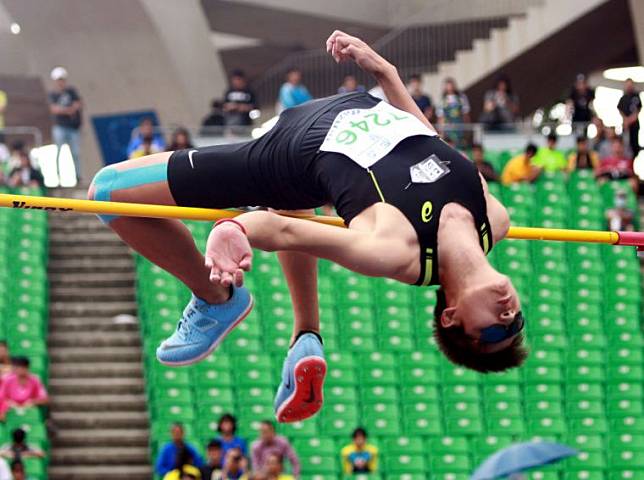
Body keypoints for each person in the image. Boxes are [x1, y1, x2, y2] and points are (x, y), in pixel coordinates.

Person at [88, 30, 526, 425]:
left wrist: (233, 229)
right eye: (516, 324)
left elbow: (284, 233)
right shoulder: (494, 217)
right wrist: (388, 76)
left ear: (451, 317)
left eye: (493, 332)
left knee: (107, 191)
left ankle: (214, 295)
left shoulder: (396, 251)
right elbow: (431, 145)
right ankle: (305, 334)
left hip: (287, 155)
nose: (507, 317)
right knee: (298, 201)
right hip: (347, 110)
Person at [48, 66, 83, 182]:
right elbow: (54, 109)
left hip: (73, 128)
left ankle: (78, 176)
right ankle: (57, 177)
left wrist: (70, 109)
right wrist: (68, 110)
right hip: (60, 127)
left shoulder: (71, 91)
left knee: (75, 153)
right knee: (58, 152)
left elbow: (79, 103)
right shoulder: (52, 94)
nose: (60, 82)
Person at [0, 357, 48, 421]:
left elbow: (44, 399)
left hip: (29, 413)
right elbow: (1, 397)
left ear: (27, 368)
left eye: (22, 367)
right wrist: (9, 403)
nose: (20, 370)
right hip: (11, 413)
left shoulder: (35, 380)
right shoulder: (8, 380)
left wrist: (32, 402)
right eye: (17, 367)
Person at [437, 77, 470, 146]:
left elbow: (465, 114)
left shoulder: (461, 97)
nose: (450, 88)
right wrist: (441, 132)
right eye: (448, 86)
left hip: (459, 127)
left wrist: (467, 128)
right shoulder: (442, 99)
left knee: (460, 146)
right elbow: (441, 116)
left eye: (451, 85)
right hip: (447, 128)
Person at [617, 78, 642, 158]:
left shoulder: (636, 96)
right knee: (626, 143)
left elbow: (638, 110)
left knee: (634, 144)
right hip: (626, 125)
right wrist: (625, 120)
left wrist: (630, 120)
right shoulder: (623, 98)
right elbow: (620, 109)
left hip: (634, 125)